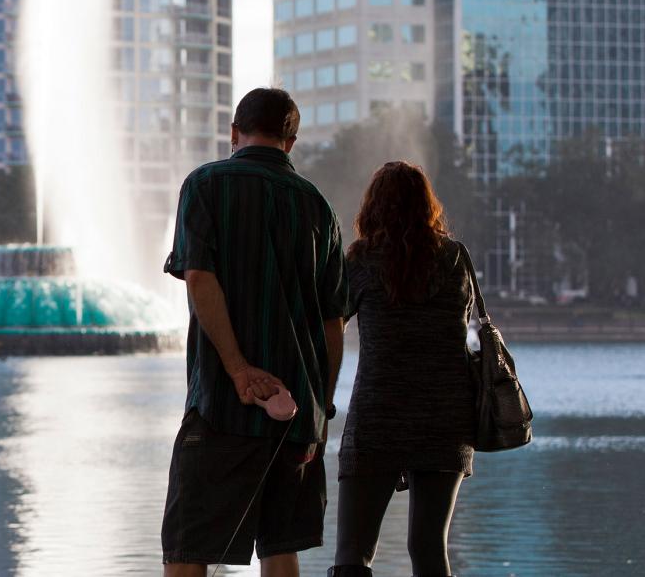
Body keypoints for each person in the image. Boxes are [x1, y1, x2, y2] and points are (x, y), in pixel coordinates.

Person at [161, 87, 349, 577]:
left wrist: (239, 371)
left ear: (233, 133)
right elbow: (334, 321)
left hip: (223, 406)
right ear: (291, 141)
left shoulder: (205, 185)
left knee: (187, 548)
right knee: (279, 547)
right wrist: (319, 408)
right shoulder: (319, 208)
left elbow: (200, 278)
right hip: (297, 416)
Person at [329, 161, 476, 577]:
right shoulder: (455, 259)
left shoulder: (360, 261)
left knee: (353, 553)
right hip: (446, 418)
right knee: (430, 549)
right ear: (427, 207)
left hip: (378, 415)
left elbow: (331, 322)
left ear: (373, 207)